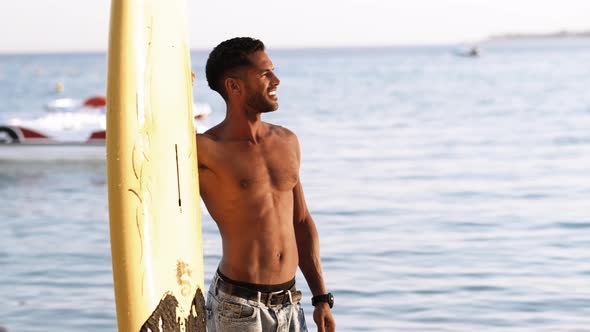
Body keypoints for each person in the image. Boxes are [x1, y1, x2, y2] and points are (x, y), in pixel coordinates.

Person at [197, 37, 336, 332]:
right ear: (234, 86)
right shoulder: (206, 149)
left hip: (291, 304)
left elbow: (300, 220)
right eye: (264, 74)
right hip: (238, 307)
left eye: (272, 70)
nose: (276, 80)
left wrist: (321, 296)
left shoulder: (287, 141)